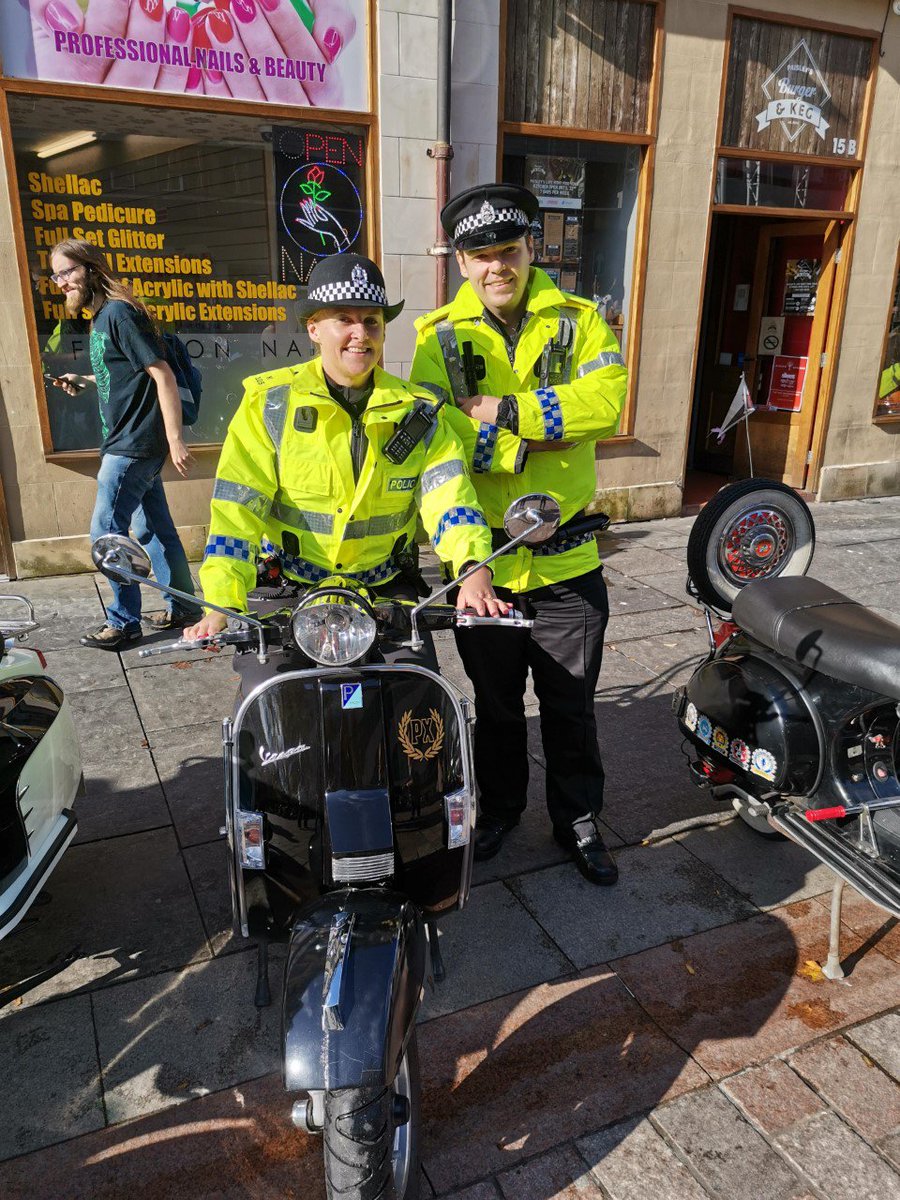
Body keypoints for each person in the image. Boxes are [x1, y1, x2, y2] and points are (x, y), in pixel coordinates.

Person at [409, 183, 627, 884]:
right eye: (480, 254)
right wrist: (520, 450)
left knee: (571, 706)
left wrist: (508, 411)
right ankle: (500, 809)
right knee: (497, 710)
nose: (495, 265)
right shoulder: (436, 338)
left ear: (532, 246)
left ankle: (579, 820)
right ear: (462, 262)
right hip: (485, 569)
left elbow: (608, 401)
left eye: (508, 249)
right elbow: (433, 445)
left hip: (568, 563)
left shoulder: (580, 319)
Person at [185, 253, 506, 669]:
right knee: (270, 703)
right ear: (314, 328)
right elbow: (237, 510)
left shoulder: (420, 411)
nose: (361, 334)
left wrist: (472, 567)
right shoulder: (269, 404)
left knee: (419, 703)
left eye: (372, 321)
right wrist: (221, 603)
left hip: (385, 591)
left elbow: (451, 500)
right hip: (290, 591)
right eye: (344, 319)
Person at [48, 239, 202, 648]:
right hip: (130, 441)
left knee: (106, 533)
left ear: (91, 268)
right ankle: (185, 607)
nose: (61, 282)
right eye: (56, 275)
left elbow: (162, 374)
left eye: (67, 271)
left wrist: (175, 440)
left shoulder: (119, 313)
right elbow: (126, 376)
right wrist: (86, 381)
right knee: (154, 529)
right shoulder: (101, 318)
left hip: (132, 445)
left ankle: (123, 622)